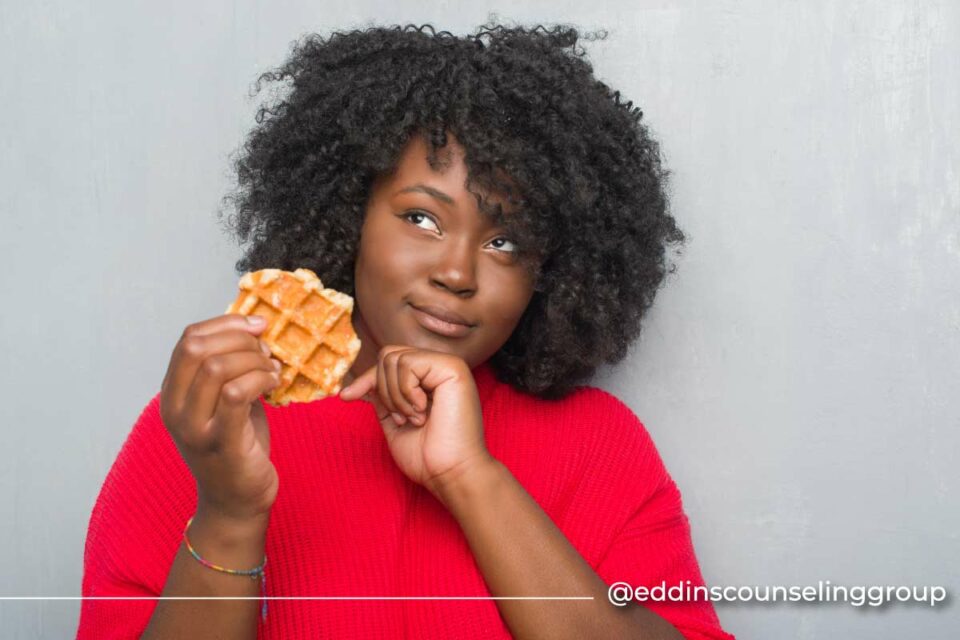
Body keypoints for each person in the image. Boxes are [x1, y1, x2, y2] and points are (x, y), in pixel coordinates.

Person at [77, 22, 736, 640]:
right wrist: (228, 510)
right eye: (421, 218)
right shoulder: (206, 434)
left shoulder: (600, 449)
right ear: (349, 212)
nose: (456, 272)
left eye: (505, 241)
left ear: (551, 272)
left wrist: (470, 478)